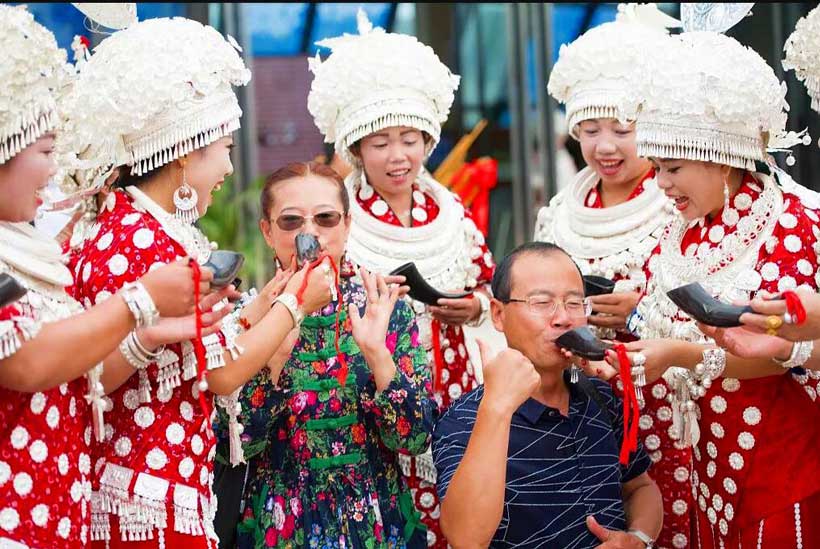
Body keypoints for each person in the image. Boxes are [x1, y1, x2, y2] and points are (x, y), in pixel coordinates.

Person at [61, 18, 333, 548]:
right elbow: (223, 372)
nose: (231, 167)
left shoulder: (138, 226)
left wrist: (265, 304)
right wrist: (297, 304)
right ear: (187, 149)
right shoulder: (140, 239)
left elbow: (194, 343)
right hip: (144, 493)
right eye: (225, 147)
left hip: (156, 485)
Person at [0, 6, 213, 547]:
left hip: (56, 513)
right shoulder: (133, 236)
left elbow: (77, 372)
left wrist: (144, 335)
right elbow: (28, 362)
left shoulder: (28, 247)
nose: (54, 170)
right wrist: (137, 303)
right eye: (44, 150)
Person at [609, 31, 820, 547]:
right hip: (704, 462)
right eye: (657, 167)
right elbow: (663, 315)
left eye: (673, 167)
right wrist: (631, 318)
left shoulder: (791, 224)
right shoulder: (686, 225)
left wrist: (679, 355)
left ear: (720, 156)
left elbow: (788, 350)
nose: (660, 183)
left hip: (778, 456)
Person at [306, 10, 496, 547]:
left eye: (410, 138)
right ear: (357, 150)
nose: (398, 156)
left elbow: (490, 284)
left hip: (459, 379)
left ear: (428, 141)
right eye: (381, 142)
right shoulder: (341, 220)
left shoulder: (451, 210)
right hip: (376, 386)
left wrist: (475, 307)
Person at [533, 6, 690, 547]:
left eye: (622, 129)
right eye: (589, 129)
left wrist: (642, 311)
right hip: (590, 404)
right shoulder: (559, 210)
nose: (605, 146)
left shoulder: (679, 202)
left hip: (670, 396)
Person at [224, 161, 434, 548]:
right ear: (267, 232)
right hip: (283, 525)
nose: (310, 234)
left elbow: (415, 437)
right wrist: (274, 357)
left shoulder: (382, 307)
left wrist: (377, 355)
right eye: (290, 222)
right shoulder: (249, 318)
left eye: (325, 218)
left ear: (347, 225)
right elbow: (237, 445)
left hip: (375, 523)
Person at [433, 242, 663, 548]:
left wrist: (638, 538)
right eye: (542, 303)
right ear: (498, 314)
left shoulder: (601, 398)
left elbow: (639, 487)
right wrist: (497, 410)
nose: (562, 318)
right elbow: (466, 538)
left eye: (574, 303)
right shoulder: (465, 418)